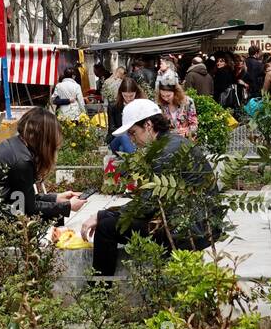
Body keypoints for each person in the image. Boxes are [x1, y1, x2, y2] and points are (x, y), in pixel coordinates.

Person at [81, 99, 224, 276]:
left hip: (188, 230)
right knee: (110, 221)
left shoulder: (163, 151)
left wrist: (102, 215)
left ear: (148, 125)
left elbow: (147, 206)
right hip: (198, 223)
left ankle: (100, 292)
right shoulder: (171, 142)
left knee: (106, 227)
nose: (132, 141)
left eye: (133, 133)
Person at [0, 109, 85, 234]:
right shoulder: (22, 161)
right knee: (53, 216)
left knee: (54, 213)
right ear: (44, 138)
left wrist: (56, 198)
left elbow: (22, 198)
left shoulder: (16, 146)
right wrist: (67, 206)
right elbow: (29, 208)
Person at [107, 76, 144, 153]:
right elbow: (111, 129)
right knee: (123, 137)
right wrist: (126, 131)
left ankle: (133, 159)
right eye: (125, 96)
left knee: (122, 149)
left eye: (131, 96)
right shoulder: (113, 106)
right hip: (116, 139)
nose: (128, 99)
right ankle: (137, 161)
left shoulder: (141, 105)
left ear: (136, 93)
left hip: (136, 139)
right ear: (121, 94)